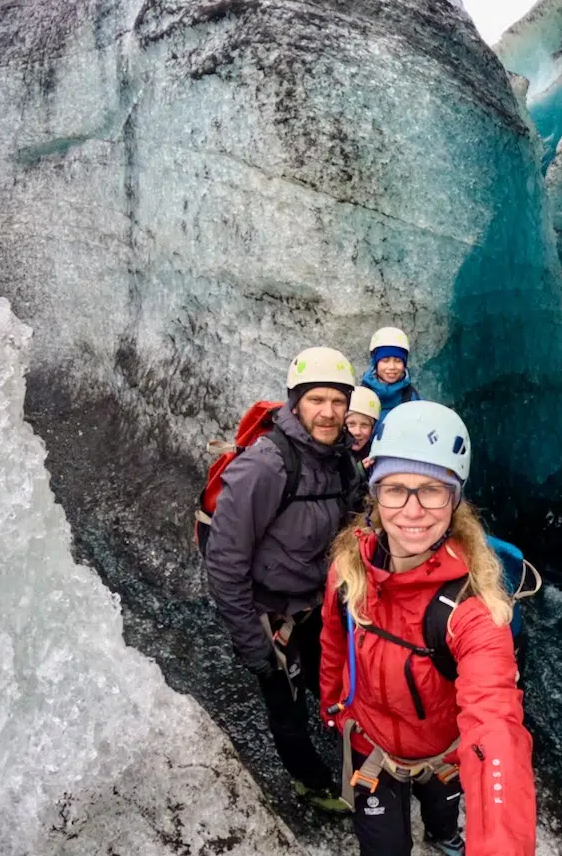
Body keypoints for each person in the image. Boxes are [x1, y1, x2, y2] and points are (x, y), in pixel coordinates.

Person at [321, 401, 536, 856]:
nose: (413, 510)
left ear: (454, 498)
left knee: (443, 818)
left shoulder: (471, 608)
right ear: (375, 493)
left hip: (442, 756)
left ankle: (444, 835)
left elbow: (495, 725)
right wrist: (334, 708)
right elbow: (334, 642)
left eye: (432, 490)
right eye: (395, 489)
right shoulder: (348, 570)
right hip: (371, 747)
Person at [204, 346, 356, 814]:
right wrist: (252, 644)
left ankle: (338, 747)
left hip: (316, 605)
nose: (328, 412)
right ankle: (311, 783)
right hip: (268, 613)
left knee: (324, 681)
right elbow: (225, 563)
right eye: (317, 401)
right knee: (284, 704)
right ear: (295, 403)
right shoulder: (266, 466)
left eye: (338, 401)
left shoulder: (342, 461)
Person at [360, 326, 422, 420]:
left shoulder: (413, 398)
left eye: (398, 361)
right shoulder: (360, 397)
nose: (392, 367)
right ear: (375, 363)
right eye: (385, 360)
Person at [346, 385, 382, 469]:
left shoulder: (375, 455)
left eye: (364, 425)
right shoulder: (330, 455)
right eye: (351, 424)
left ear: (372, 429)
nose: (357, 432)